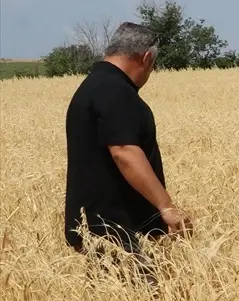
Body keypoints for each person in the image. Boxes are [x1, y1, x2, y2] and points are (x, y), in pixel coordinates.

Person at [64, 21, 192, 283]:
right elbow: (124, 152)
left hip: (97, 227)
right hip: (117, 230)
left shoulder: (93, 86)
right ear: (146, 58)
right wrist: (166, 207)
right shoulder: (116, 92)